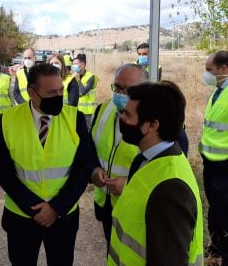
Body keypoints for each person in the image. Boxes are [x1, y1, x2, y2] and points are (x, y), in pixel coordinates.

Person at [0, 63, 93, 266]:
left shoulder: (75, 118)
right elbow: (3, 172)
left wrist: (56, 208)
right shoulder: (8, 119)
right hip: (22, 216)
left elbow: (83, 168)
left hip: (63, 216)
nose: (58, 96)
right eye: (51, 93)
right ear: (32, 92)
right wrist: (36, 210)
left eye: (60, 90)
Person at [107, 81, 203, 266]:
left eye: (128, 114)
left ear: (152, 125)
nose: (121, 118)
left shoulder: (171, 189)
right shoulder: (145, 160)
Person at [90, 64, 148, 245]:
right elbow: (91, 148)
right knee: (113, 252)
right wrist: (94, 170)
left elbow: (164, 166)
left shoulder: (154, 120)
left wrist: (130, 185)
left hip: (135, 207)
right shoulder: (102, 111)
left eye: (128, 89)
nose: (121, 93)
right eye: (117, 87)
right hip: (105, 202)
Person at [199, 51, 228, 264]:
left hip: (224, 165)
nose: (206, 75)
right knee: (215, 208)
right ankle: (216, 247)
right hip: (211, 162)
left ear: (224, 69)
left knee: (224, 211)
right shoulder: (219, 91)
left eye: (210, 70)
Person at [73, 54, 98, 129]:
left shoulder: (91, 77)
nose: (73, 66)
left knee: (86, 132)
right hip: (75, 110)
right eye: (73, 64)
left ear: (83, 65)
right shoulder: (73, 76)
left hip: (86, 111)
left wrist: (78, 80)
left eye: (75, 64)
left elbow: (81, 92)